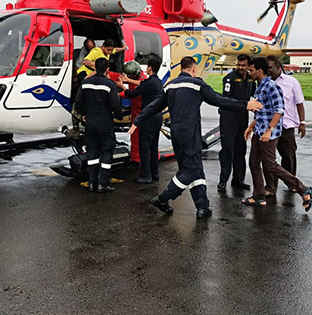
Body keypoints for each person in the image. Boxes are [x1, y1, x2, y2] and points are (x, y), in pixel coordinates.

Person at [130, 56, 263, 219]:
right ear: (193, 69)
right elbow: (219, 99)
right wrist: (245, 105)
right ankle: (163, 199)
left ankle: (203, 207)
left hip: (176, 134)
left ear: (181, 69)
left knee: (196, 169)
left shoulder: (170, 85)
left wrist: (138, 119)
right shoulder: (197, 84)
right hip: (190, 133)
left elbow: (155, 104)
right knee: (190, 170)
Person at [242, 57, 312, 211]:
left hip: (268, 134)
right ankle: (259, 196)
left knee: (271, 165)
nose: (249, 72)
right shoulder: (260, 87)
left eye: (251, 70)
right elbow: (262, 111)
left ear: (259, 71)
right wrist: (251, 126)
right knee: (254, 163)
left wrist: (269, 130)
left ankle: (303, 189)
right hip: (259, 131)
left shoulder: (271, 87)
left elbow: (279, 110)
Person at [75, 57, 122, 193]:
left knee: (92, 152)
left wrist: (84, 114)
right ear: (107, 69)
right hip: (105, 123)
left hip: (90, 123)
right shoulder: (109, 85)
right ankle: (104, 183)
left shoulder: (85, 83)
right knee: (107, 151)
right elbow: (115, 105)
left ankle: (92, 183)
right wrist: (118, 116)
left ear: (94, 68)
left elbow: (78, 102)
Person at [117, 56, 164, 183]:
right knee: (154, 147)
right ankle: (155, 173)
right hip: (158, 117)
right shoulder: (157, 82)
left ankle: (146, 176)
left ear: (149, 68)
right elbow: (141, 84)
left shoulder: (149, 83)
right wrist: (127, 80)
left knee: (144, 146)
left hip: (148, 118)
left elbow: (132, 94)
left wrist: (122, 86)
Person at [217, 54, 256, 192]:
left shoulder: (251, 79)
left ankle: (238, 180)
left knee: (241, 149)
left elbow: (254, 96)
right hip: (229, 118)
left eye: (243, 65)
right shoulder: (229, 78)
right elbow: (226, 100)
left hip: (242, 118)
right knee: (227, 150)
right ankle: (223, 181)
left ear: (248, 66)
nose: (240, 67)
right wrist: (245, 104)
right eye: (238, 65)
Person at [266, 55, 306, 186]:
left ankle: (292, 183)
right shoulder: (264, 82)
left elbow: (299, 103)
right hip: (269, 126)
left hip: (286, 125)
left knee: (288, 156)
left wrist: (302, 122)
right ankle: (271, 186)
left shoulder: (291, 82)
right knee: (269, 159)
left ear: (278, 67)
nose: (268, 71)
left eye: (270, 68)